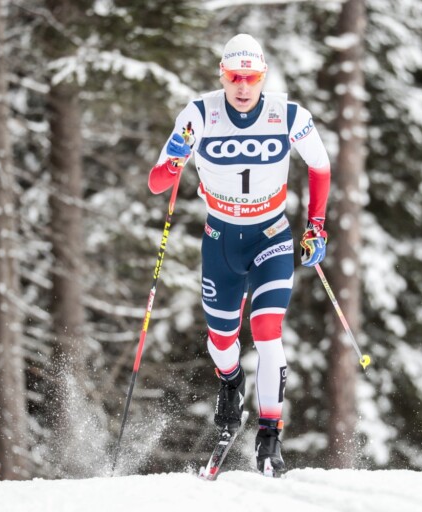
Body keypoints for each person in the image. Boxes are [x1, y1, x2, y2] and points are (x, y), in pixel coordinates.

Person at [148, 34, 330, 476]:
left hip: (272, 237)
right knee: (222, 342)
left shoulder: (288, 115)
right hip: (221, 240)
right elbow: (156, 183)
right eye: (234, 77)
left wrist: (316, 225)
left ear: (263, 76)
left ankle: (270, 436)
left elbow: (320, 165)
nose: (243, 86)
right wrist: (173, 161)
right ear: (222, 76)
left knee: (267, 331)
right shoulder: (198, 114)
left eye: (251, 77)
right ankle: (231, 382)